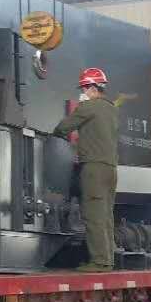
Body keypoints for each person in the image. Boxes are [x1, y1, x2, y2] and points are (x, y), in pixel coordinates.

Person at [53, 67, 119, 272]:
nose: (82, 92)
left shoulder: (88, 107)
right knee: (106, 215)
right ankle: (108, 259)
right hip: (110, 168)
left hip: (94, 168)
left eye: (84, 88)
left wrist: (57, 136)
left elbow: (63, 128)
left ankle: (99, 262)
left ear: (92, 88)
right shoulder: (111, 109)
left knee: (93, 214)